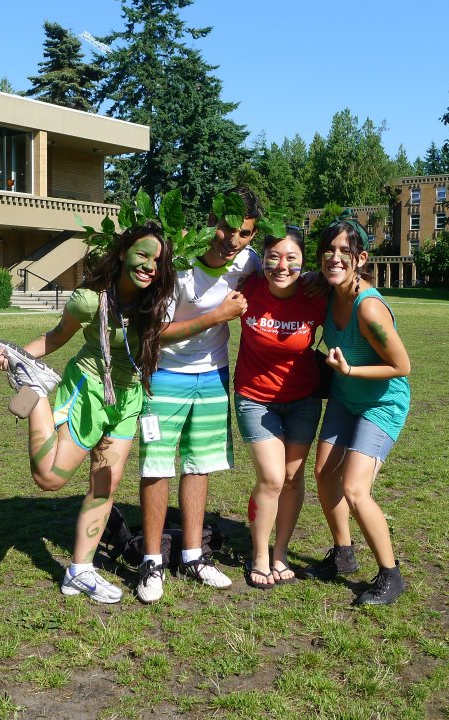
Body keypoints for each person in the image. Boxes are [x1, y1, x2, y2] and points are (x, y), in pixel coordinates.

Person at [0, 222, 176, 604]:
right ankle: (37, 390)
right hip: (87, 390)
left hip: (127, 400)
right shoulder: (89, 300)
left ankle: (80, 570)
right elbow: (56, 336)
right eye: (142, 255)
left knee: (105, 486)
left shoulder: (154, 301)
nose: (149, 266)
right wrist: (14, 355)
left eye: (157, 261)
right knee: (49, 478)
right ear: (123, 253)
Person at [135, 187, 262, 604]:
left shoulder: (247, 261)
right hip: (165, 375)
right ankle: (151, 560)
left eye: (244, 233)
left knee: (199, 464)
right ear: (211, 221)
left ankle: (193, 556)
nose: (233, 240)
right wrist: (217, 317)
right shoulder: (178, 262)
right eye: (226, 228)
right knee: (156, 465)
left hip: (213, 377)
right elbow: (154, 332)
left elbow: (283, 274)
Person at [301, 215, 412, 606]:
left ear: (361, 258)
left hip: (381, 404)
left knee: (354, 488)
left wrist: (349, 370)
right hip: (345, 398)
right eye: (328, 250)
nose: (334, 258)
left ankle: (391, 575)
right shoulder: (330, 291)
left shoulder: (369, 309)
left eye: (344, 251)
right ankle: (343, 554)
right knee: (324, 473)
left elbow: (402, 366)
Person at [234, 228, 327, 588]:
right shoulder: (248, 286)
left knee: (292, 479)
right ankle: (260, 555)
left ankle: (280, 552)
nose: (281, 265)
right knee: (272, 478)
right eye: (273, 256)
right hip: (255, 398)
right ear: (262, 259)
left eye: (291, 257)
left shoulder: (315, 294)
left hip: (303, 399)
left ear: (303, 261)